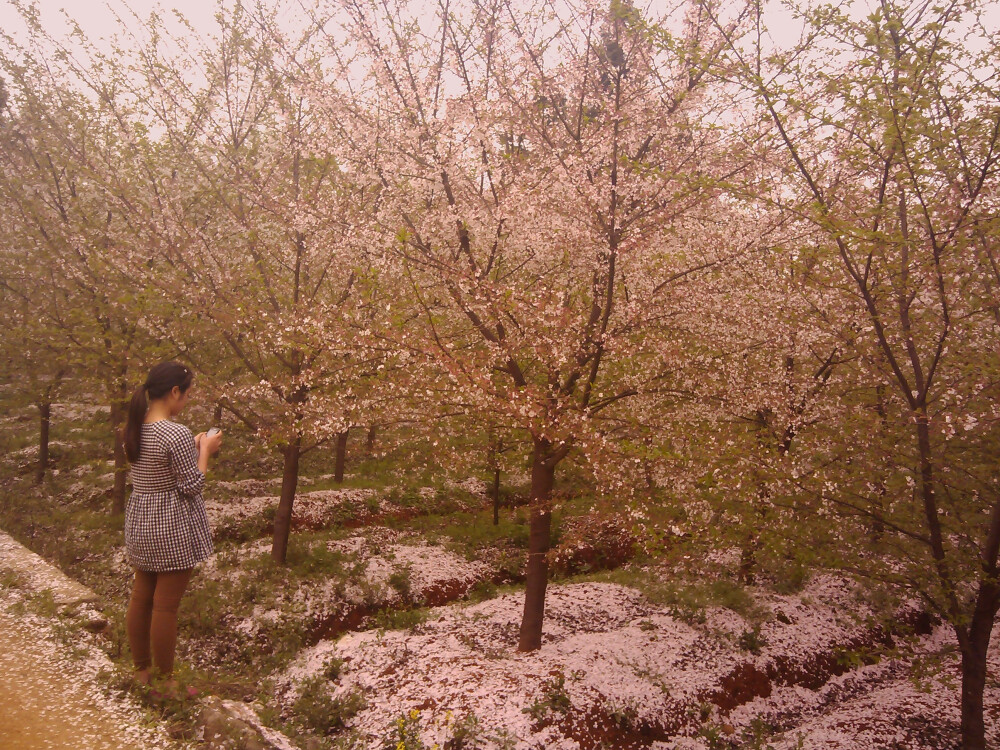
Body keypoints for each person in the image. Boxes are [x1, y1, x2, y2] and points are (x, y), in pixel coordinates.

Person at [121, 361, 222, 699]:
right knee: (165, 607)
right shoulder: (175, 432)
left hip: (141, 519)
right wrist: (204, 451)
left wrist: (191, 450)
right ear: (174, 391)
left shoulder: (134, 427)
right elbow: (192, 484)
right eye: (187, 394)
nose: (187, 401)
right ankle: (166, 683)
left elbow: (160, 468)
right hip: (171, 525)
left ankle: (141, 671)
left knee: (141, 597)